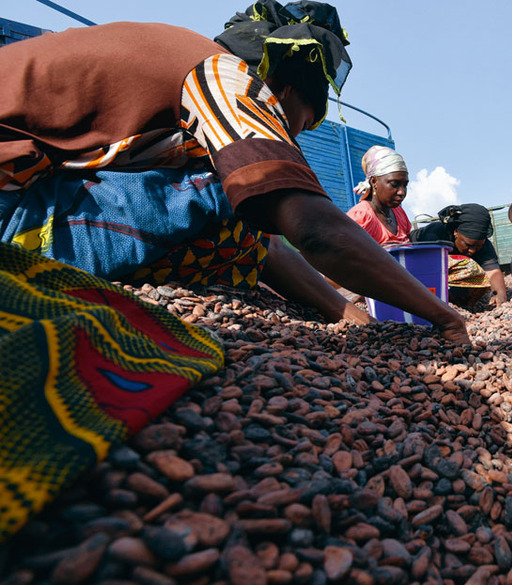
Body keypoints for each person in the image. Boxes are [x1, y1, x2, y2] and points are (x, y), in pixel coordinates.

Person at [0, 1, 469, 343]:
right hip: (14, 218)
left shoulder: (182, 63)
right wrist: (444, 317)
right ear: (279, 89)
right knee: (241, 189)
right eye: (297, 124)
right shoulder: (223, 76)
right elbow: (312, 228)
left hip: (26, 196)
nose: (292, 139)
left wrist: (350, 315)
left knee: (242, 200)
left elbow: (267, 244)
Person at [410, 203, 508, 306]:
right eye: (469, 245)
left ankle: (458, 302)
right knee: (469, 267)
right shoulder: (435, 234)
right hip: (417, 263)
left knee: (480, 280)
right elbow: (428, 270)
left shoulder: (484, 245)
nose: (473, 251)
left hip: (444, 270)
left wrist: (500, 295)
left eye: (478, 246)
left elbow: (492, 271)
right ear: (456, 232)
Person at [348, 146, 413, 246]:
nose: (402, 192)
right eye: (394, 184)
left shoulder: (399, 213)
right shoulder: (361, 217)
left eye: (405, 185)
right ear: (374, 182)